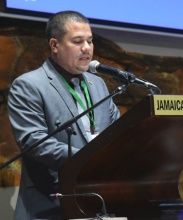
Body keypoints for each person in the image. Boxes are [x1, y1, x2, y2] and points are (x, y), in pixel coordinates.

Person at [7, 11, 120, 219]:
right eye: (78, 41)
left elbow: (118, 132)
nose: (87, 48)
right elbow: (35, 141)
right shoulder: (29, 85)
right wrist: (92, 161)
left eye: (90, 41)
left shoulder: (99, 85)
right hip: (50, 205)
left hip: (97, 202)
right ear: (55, 45)